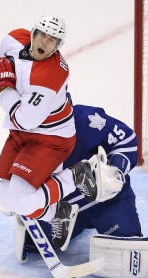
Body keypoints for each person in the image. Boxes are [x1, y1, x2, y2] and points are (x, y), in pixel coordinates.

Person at [0, 15, 98, 251]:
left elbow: (23, 118)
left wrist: (0, 88)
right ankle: (59, 212)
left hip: (50, 139)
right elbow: (3, 65)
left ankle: (78, 175)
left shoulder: (48, 78)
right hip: (22, 135)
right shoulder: (14, 39)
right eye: (43, 36)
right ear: (33, 33)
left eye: (53, 41)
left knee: (21, 199)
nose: (45, 43)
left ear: (58, 47)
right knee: (8, 199)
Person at [21, 99, 142, 255]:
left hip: (107, 202)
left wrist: (114, 171)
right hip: (63, 212)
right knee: (35, 246)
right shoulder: (25, 136)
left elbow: (125, 139)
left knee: (126, 247)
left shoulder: (86, 119)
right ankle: (65, 219)